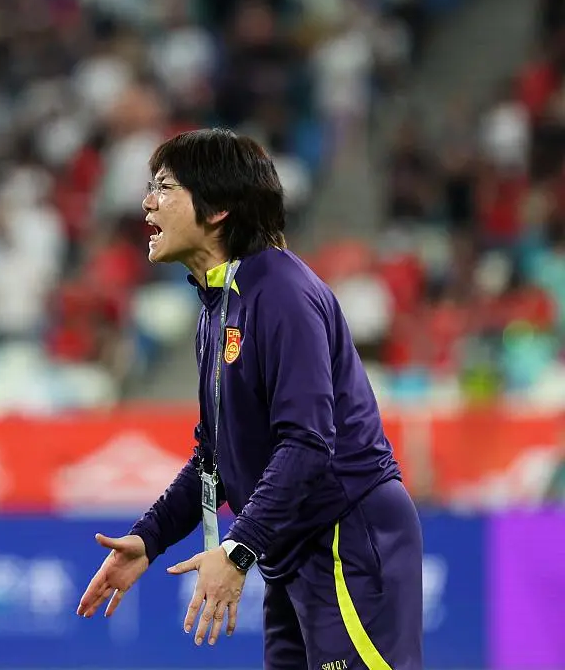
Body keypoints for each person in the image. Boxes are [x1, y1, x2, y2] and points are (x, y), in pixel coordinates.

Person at [75, 129, 423, 670]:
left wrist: (238, 550)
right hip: (289, 548)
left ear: (218, 209)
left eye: (165, 187)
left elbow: (308, 443)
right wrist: (150, 537)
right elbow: (213, 459)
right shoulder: (216, 308)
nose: (147, 203)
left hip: (345, 538)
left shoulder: (281, 292)